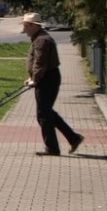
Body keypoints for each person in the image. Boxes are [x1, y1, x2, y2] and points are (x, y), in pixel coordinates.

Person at [21, 12, 84, 156]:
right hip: (46, 78)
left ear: (33, 26)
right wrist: (31, 78)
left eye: (26, 26)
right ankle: (73, 138)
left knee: (43, 114)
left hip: (47, 79)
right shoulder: (38, 38)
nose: (24, 29)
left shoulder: (41, 40)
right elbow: (37, 64)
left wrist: (35, 79)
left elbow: (40, 63)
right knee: (47, 112)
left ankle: (53, 148)